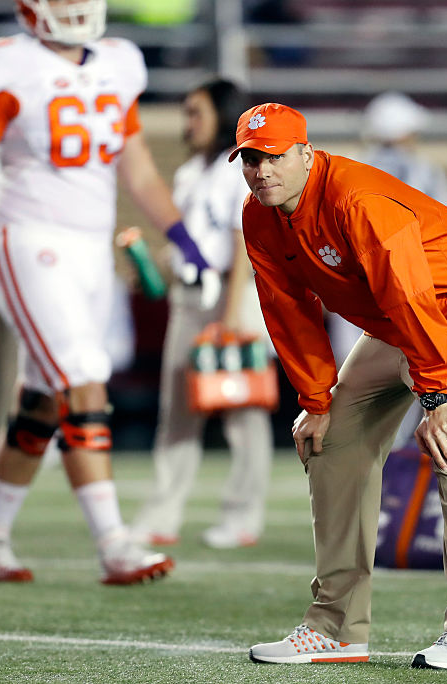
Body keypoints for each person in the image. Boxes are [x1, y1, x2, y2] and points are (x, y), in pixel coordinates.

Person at [0, 0, 191, 585]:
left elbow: (139, 169)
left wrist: (181, 236)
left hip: (91, 251)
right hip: (28, 242)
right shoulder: (3, 65)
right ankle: (115, 542)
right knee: (82, 376)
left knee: (44, 399)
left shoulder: (120, 62)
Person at [235, 103, 447, 669]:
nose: (261, 170)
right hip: (400, 318)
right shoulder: (259, 215)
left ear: (304, 153)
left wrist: (435, 398)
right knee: (332, 440)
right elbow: (286, 311)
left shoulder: (356, 201)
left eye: (272, 156)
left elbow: (411, 295)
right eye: (250, 158)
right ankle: (336, 628)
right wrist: (316, 401)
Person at [130, 78, 276, 550]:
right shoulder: (190, 172)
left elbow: (243, 244)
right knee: (176, 409)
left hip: (232, 296)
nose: (188, 122)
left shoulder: (241, 170)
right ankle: (162, 514)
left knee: (241, 410)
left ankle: (243, 515)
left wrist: (231, 313)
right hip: (190, 298)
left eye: (197, 112)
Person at [326, 91, 447, 447]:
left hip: (354, 293)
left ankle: (353, 462)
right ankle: (394, 468)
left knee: (350, 386)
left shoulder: (347, 169)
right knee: (407, 386)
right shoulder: (425, 173)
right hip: (407, 293)